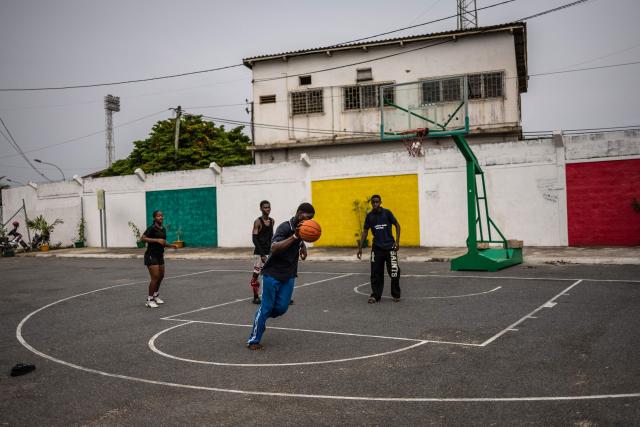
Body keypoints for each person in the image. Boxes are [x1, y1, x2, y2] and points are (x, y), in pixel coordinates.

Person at [246, 202, 313, 350]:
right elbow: (274, 247)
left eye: (310, 220)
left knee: (282, 308)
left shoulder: (303, 228)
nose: (308, 222)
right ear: (299, 213)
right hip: (273, 273)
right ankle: (253, 339)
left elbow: (301, 238)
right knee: (266, 308)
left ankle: (263, 314)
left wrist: (303, 247)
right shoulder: (284, 227)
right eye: (306, 218)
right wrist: (295, 236)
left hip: (288, 274)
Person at [356, 195, 401, 303]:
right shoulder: (369, 216)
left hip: (390, 247)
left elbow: (397, 225)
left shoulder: (387, 213)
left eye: (377, 202)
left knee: (394, 271)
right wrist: (360, 247)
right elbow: (365, 231)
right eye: (373, 202)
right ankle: (375, 295)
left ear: (380, 202)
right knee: (376, 273)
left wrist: (397, 242)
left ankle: (396, 294)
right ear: (371, 203)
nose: (375, 204)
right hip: (377, 249)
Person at [140, 211, 177, 308]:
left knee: (161, 276)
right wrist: (156, 240)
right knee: (155, 277)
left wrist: (171, 245)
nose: (161, 217)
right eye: (158, 216)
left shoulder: (163, 229)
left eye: (161, 215)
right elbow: (142, 238)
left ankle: (155, 295)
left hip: (160, 255)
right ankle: (149, 299)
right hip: (151, 255)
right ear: (154, 217)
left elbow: (163, 242)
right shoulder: (151, 228)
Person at [250, 200, 274, 304]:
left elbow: (271, 237)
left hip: (269, 252)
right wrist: (262, 254)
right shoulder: (258, 222)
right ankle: (255, 297)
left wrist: (273, 249)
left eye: (268, 207)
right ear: (261, 209)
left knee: (273, 274)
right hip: (259, 253)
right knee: (256, 275)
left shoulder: (272, 221)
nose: (267, 209)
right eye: (265, 207)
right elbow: (254, 239)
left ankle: (274, 297)